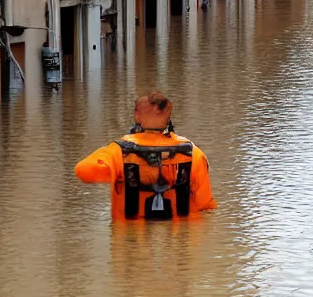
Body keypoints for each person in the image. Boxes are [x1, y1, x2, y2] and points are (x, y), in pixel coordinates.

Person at [74, 92, 217, 221]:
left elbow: (83, 171)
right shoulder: (192, 152)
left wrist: (113, 173)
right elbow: (205, 204)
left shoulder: (119, 150)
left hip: (131, 240)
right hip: (181, 240)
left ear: (137, 116)